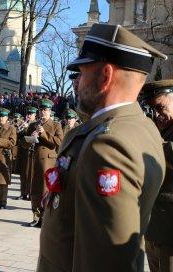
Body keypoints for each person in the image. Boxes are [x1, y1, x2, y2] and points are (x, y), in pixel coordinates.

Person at [38, 23, 167, 272]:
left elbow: (107, 258)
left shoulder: (108, 145)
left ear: (106, 76)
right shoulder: (141, 126)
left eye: (83, 72)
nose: (77, 83)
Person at [142, 79, 173, 272]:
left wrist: (153, 141)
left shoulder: (158, 135)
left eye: (161, 107)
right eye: (152, 109)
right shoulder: (159, 129)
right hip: (153, 227)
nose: (157, 115)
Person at [26, 99, 63, 228]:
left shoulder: (56, 125)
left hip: (48, 161)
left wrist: (43, 133)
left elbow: (58, 142)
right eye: (41, 110)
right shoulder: (33, 125)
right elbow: (24, 143)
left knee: (45, 189)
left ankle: (46, 218)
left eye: (45, 110)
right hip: (34, 159)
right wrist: (31, 137)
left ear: (50, 111)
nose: (43, 112)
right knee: (35, 189)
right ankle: (36, 217)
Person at [15, 106, 37, 201]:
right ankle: (23, 193)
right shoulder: (24, 124)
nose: (28, 116)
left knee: (31, 174)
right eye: (28, 114)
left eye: (31, 114)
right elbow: (17, 137)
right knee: (23, 174)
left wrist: (27, 131)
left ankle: (30, 194)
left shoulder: (37, 124)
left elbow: (34, 138)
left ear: (35, 115)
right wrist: (22, 128)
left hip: (32, 152)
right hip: (23, 152)